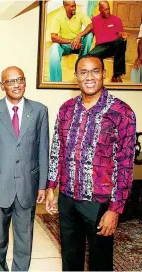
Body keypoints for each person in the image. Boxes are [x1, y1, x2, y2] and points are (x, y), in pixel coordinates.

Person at [46, 55, 136, 271]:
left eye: (95, 71)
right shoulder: (66, 109)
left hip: (99, 202)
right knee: (70, 259)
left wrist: (115, 209)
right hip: (68, 198)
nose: (89, 77)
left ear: (104, 74)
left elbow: (125, 165)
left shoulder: (122, 113)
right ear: (76, 76)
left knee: (100, 262)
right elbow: (57, 149)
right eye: (83, 72)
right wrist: (51, 186)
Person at [0, 66, 49, 271]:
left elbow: (43, 150)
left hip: (28, 185)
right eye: (10, 81)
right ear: (2, 85)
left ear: (25, 82)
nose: (16, 84)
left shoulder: (39, 111)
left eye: (19, 79)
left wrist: (43, 185)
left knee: (24, 238)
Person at [49, 0, 93, 82]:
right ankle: (56, 82)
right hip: (65, 46)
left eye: (74, 5)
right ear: (65, 7)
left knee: (89, 35)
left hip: (79, 45)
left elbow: (91, 25)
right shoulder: (58, 17)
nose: (74, 8)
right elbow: (53, 37)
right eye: (71, 6)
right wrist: (71, 42)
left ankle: (81, 65)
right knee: (54, 47)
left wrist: (79, 36)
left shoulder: (80, 14)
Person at [88, 1, 128, 82]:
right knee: (90, 56)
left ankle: (117, 75)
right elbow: (89, 34)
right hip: (101, 46)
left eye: (108, 9)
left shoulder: (116, 19)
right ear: (100, 9)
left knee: (122, 41)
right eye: (105, 9)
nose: (108, 11)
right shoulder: (94, 20)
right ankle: (97, 77)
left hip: (114, 45)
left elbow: (120, 33)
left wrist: (123, 35)